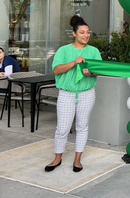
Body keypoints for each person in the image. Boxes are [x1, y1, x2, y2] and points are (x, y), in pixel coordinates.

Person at [45, 16, 102, 173]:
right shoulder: (64, 50)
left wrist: (90, 73)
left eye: (88, 32)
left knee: (82, 127)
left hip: (87, 94)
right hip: (66, 95)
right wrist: (74, 63)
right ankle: (57, 158)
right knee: (62, 128)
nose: (86, 35)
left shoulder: (93, 51)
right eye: (82, 32)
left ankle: (77, 159)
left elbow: (98, 71)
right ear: (74, 34)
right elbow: (56, 70)